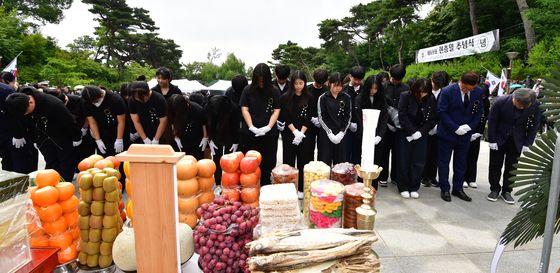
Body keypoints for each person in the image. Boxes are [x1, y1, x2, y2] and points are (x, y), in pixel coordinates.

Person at [6, 87, 82, 181]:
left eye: (26, 112)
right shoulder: (17, 102)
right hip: (42, 137)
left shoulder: (53, 104)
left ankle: (65, 185)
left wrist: (77, 137)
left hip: (62, 136)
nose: (25, 114)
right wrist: (33, 139)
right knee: (51, 163)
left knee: (66, 163)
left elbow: (69, 122)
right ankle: (51, 185)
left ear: (30, 103)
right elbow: (25, 123)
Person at [487, 88, 541, 204]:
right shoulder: (500, 102)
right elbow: (492, 121)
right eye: (519, 105)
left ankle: (507, 191)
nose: (521, 108)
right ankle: (494, 189)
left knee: (512, 167)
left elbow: (534, 125)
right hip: (499, 137)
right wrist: (491, 140)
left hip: (518, 139)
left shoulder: (535, 105)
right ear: (514, 98)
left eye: (524, 106)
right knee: (495, 164)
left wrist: (528, 143)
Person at [437, 72, 484, 202]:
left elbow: (479, 112)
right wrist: (455, 128)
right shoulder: (447, 91)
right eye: (465, 88)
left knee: (461, 163)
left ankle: (458, 188)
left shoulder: (478, 92)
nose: (468, 91)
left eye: (471, 89)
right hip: (447, 133)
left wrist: (470, 127)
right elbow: (442, 111)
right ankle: (445, 188)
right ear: (461, 82)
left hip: (465, 134)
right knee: (444, 162)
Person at [240, 63, 281, 185]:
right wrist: (251, 126)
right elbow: (244, 109)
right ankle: (250, 185)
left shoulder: (274, 91)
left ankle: (265, 184)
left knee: (268, 162)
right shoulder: (247, 90)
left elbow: (276, 110)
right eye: (259, 81)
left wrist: (268, 127)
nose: (261, 83)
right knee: (250, 162)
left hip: (269, 133)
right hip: (251, 133)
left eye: (263, 81)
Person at [397, 78, 437, 199]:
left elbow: (432, 118)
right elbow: (402, 115)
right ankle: (403, 186)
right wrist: (412, 131)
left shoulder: (431, 98)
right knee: (404, 160)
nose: (422, 94)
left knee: (418, 161)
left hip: (421, 133)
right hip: (405, 133)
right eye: (420, 92)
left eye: (424, 92)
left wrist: (420, 132)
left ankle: (414, 186)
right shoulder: (405, 96)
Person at [280, 71, 316, 194]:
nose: (298, 86)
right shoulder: (285, 97)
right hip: (289, 133)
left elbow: (310, 116)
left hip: (305, 133)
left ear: (305, 83)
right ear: (292, 84)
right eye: (296, 83)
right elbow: (285, 116)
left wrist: (301, 133)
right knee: (289, 161)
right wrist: (295, 131)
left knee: (303, 160)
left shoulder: (310, 97)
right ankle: (288, 187)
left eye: (301, 83)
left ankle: (301, 188)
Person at [353, 74, 388, 190]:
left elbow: (384, 119)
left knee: (375, 162)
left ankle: (373, 188)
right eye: (371, 88)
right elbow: (358, 119)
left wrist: (379, 136)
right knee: (361, 161)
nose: (373, 91)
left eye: (376, 88)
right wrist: (366, 136)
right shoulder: (359, 98)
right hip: (362, 137)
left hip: (377, 138)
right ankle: (360, 187)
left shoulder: (382, 100)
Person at [379, 64, 409, 187]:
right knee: (384, 152)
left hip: (400, 127)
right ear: (390, 75)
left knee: (398, 152)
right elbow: (380, 106)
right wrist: (386, 123)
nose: (396, 81)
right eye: (394, 78)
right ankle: (383, 176)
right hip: (385, 126)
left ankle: (396, 176)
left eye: (399, 79)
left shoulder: (407, 88)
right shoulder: (383, 87)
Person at [0, 75, 34, 174]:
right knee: (6, 159)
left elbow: (18, 112)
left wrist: (18, 134)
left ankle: (23, 186)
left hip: (13, 131)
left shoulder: (5, 91)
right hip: (2, 134)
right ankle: (9, 185)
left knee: (20, 160)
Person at [81, 86, 128, 157]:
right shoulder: (86, 102)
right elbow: (92, 122)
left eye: (96, 101)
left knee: (120, 157)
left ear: (101, 94)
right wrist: (98, 140)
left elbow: (121, 121)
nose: (95, 104)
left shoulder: (115, 99)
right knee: (104, 158)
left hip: (118, 129)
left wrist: (119, 139)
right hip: (102, 131)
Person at [421, 71, 449, 187]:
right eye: (434, 83)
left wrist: (438, 126)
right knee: (424, 153)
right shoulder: (425, 90)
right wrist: (429, 126)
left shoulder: (445, 93)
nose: (435, 86)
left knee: (436, 154)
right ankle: (423, 176)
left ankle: (432, 176)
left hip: (440, 128)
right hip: (425, 127)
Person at [317, 72, 352, 166]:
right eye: (335, 85)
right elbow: (321, 117)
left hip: (341, 134)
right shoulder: (323, 98)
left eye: (340, 86)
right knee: (325, 162)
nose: (337, 88)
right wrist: (329, 133)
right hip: (326, 134)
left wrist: (342, 132)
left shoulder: (346, 97)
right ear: (329, 83)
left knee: (340, 163)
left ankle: (338, 181)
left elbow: (348, 116)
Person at [206, 95, 241, 185]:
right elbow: (208, 123)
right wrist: (210, 139)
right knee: (216, 157)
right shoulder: (209, 106)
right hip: (215, 133)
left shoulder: (233, 108)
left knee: (230, 160)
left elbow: (236, 126)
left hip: (230, 132)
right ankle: (218, 182)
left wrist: (235, 141)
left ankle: (230, 183)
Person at [164, 94, 207, 160]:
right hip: (181, 135)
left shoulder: (197, 110)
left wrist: (205, 137)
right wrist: (176, 136)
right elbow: (172, 122)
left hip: (196, 137)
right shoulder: (173, 109)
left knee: (195, 158)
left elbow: (204, 124)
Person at [463, 83, 490, 189]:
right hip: (467, 130)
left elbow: (484, 118)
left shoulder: (486, 102)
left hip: (477, 132)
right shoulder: (470, 99)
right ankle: (463, 178)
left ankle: (471, 178)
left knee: (474, 155)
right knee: (464, 155)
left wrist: (479, 132)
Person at [342, 66, 365, 164]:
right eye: (355, 79)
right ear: (350, 76)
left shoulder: (365, 90)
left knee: (358, 153)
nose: (357, 81)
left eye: (359, 80)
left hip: (360, 126)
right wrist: (349, 123)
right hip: (346, 127)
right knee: (345, 153)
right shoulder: (343, 89)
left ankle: (356, 175)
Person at [306, 69, 329, 160]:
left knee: (323, 149)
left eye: (321, 84)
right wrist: (311, 118)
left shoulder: (327, 90)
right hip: (308, 123)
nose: (319, 86)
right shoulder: (307, 89)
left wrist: (321, 120)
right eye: (318, 83)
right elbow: (303, 106)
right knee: (308, 149)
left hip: (323, 124)